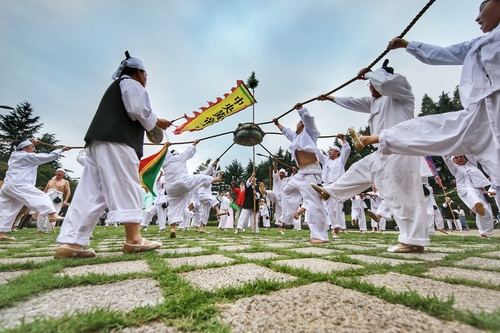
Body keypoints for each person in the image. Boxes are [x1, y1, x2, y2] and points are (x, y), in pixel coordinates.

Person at [353, 1, 500, 190]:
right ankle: (372, 138)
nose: (477, 18)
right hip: (480, 112)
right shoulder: (477, 45)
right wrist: (407, 44)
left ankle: (372, 138)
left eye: (481, 9)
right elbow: (443, 54)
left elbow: (387, 83)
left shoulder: (397, 87)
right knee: (433, 127)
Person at [55, 53, 172, 258]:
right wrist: (157, 122)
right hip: (118, 141)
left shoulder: (118, 86)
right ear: (139, 72)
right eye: (146, 74)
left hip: (98, 141)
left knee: (91, 193)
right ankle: (134, 239)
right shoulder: (131, 83)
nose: (146, 79)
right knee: (127, 185)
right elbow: (138, 110)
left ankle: (72, 243)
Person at [314, 63, 429, 253]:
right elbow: (352, 101)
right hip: (382, 150)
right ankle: (330, 191)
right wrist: (331, 98)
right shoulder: (374, 102)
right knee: (359, 168)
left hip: (401, 150)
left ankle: (413, 240)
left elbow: (386, 83)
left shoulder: (401, 93)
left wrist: (369, 73)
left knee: (399, 193)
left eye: (372, 84)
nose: (370, 87)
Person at [274, 103, 329, 244]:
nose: (298, 124)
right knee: (286, 191)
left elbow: (309, 120)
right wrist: (277, 123)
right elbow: (285, 131)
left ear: (303, 125)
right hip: (300, 173)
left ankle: (320, 236)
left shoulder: (310, 133)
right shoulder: (295, 137)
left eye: (300, 122)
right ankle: (287, 217)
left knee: (314, 203)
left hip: (311, 172)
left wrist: (301, 110)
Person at [0, 139, 69, 241]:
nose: (34, 148)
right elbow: (46, 157)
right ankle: (52, 214)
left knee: (7, 210)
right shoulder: (25, 156)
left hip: (8, 185)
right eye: (32, 146)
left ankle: (1, 233)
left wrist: (32, 144)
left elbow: (25, 148)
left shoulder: (16, 155)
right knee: (42, 196)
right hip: (18, 184)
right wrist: (60, 150)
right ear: (24, 148)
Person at [162, 140, 222, 238]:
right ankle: (215, 179)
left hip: (171, 188)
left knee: (173, 207)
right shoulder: (179, 157)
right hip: (183, 182)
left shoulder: (164, 163)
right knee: (200, 178)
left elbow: (162, 154)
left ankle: (172, 228)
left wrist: (165, 146)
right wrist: (194, 143)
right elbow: (189, 151)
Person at [444, 155, 493, 238]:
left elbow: (470, 153)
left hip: (480, 190)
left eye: (461, 157)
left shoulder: (472, 164)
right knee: (474, 198)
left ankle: (484, 233)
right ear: (453, 160)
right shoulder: (454, 168)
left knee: (486, 210)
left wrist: (463, 144)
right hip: (465, 189)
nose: (459, 159)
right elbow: (446, 158)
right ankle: (476, 204)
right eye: (456, 158)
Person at [317, 136, 351, 238]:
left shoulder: (341, 160)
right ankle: (328, 228)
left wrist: (343, 139)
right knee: (328, 208)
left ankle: (336, 231)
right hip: (326, 185)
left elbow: (347, 149)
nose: (330, 151)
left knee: (337, 208)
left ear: (337, 152)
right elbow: (317, 152)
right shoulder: (325, 160)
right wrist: (312, 138)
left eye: (332, 150)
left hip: (337, 185)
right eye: (330, 150)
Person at [259, 158, 287, 234]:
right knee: (270, 193)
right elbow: (275, 171)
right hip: (275, 194)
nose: (281, 174)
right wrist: (275, 163)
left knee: (280, 213)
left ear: (284, 174)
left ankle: (280, 228)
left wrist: (294, 171)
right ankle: (264, 191)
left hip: (281, 199)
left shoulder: (285, 181)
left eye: (282, 173)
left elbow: (294, 178)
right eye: (280, 173)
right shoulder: (276, 178)